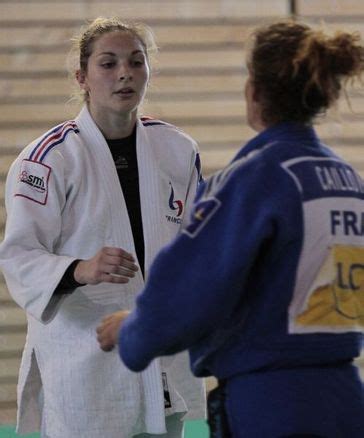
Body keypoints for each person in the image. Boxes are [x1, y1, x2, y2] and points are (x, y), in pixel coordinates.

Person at [96, 20, 364, 437]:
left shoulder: (258, 178)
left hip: (273, 403)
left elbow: (191, 285)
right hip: (344, 395)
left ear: (254, 93)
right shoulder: (346, 179)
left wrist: (132, 330)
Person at [0, 17, 205, 438]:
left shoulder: (178, 150)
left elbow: (196, 246)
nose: (125, 73)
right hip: (85, 357)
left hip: (158, 350)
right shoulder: (46, 160)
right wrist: (79, 269)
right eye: (108, 63)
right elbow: (19, 257)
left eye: (136, 61)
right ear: (83, 77)